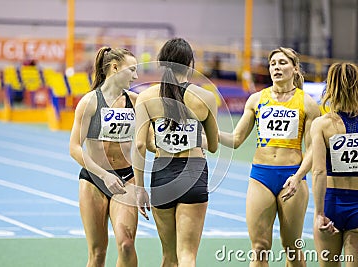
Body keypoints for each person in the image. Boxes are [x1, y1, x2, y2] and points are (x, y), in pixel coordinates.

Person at [219, 47, 320, 266]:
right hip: (261, 177)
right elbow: (236, 139)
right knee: (259, 248)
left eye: (282, 63)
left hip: (292, 176)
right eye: (273, 63)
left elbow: (313, 149)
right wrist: (210, 133)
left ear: (294, 68)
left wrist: (299, 176)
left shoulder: (307, 103)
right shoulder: (256, 100)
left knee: (292, 248)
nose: (276, 67)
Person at [133, 38, 219, 267]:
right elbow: (213, 145)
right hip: (194, 171)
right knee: (188, 256)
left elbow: (140, 146)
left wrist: (140, 188)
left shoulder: (145, 97)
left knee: (168, 256)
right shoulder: (206, 97)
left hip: (162, 173)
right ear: (190, 64)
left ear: (162, 63)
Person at [69, 46, 150, 267]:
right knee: (97, 253)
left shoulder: (136, 102)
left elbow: (149, 141)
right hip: (94, 181)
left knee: (126, 244)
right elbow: (75, 148)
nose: (135, 76)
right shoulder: (89, 102)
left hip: (126, 180)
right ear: (114, 68)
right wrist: (104, 175)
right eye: (131, 70)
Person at [311, 62, 358, 266]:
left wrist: (319, 213)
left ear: (330, 87)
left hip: (332, 202)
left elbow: (319, 171)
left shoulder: (322, 124)